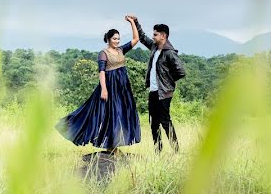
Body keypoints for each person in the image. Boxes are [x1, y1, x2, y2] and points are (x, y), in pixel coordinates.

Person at [56, 16, 141, 152]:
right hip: (110, 87)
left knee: (121, 113)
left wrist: (132, 22)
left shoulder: (121, 50)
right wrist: (104, 89)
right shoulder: (104, 53)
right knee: (109, 114)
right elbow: (101, 72)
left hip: (122, 87)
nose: (117, 41)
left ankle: (114, 145)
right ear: (108, 39)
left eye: (118, 38)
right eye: (114, 38)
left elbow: (136, 39)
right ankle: (110, 146)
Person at [129, 16, 186, 152]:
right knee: (153, 123)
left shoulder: (170, 53)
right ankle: (158, 152)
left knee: (165, 122)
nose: (153, 36)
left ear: (163, 36)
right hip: (153, 92)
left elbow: (181, 72)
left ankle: (176, 151)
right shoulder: (155, 47)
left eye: (155, 34)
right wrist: (135, 22)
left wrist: (167, 83)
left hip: (164, 93)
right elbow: (142, 37)